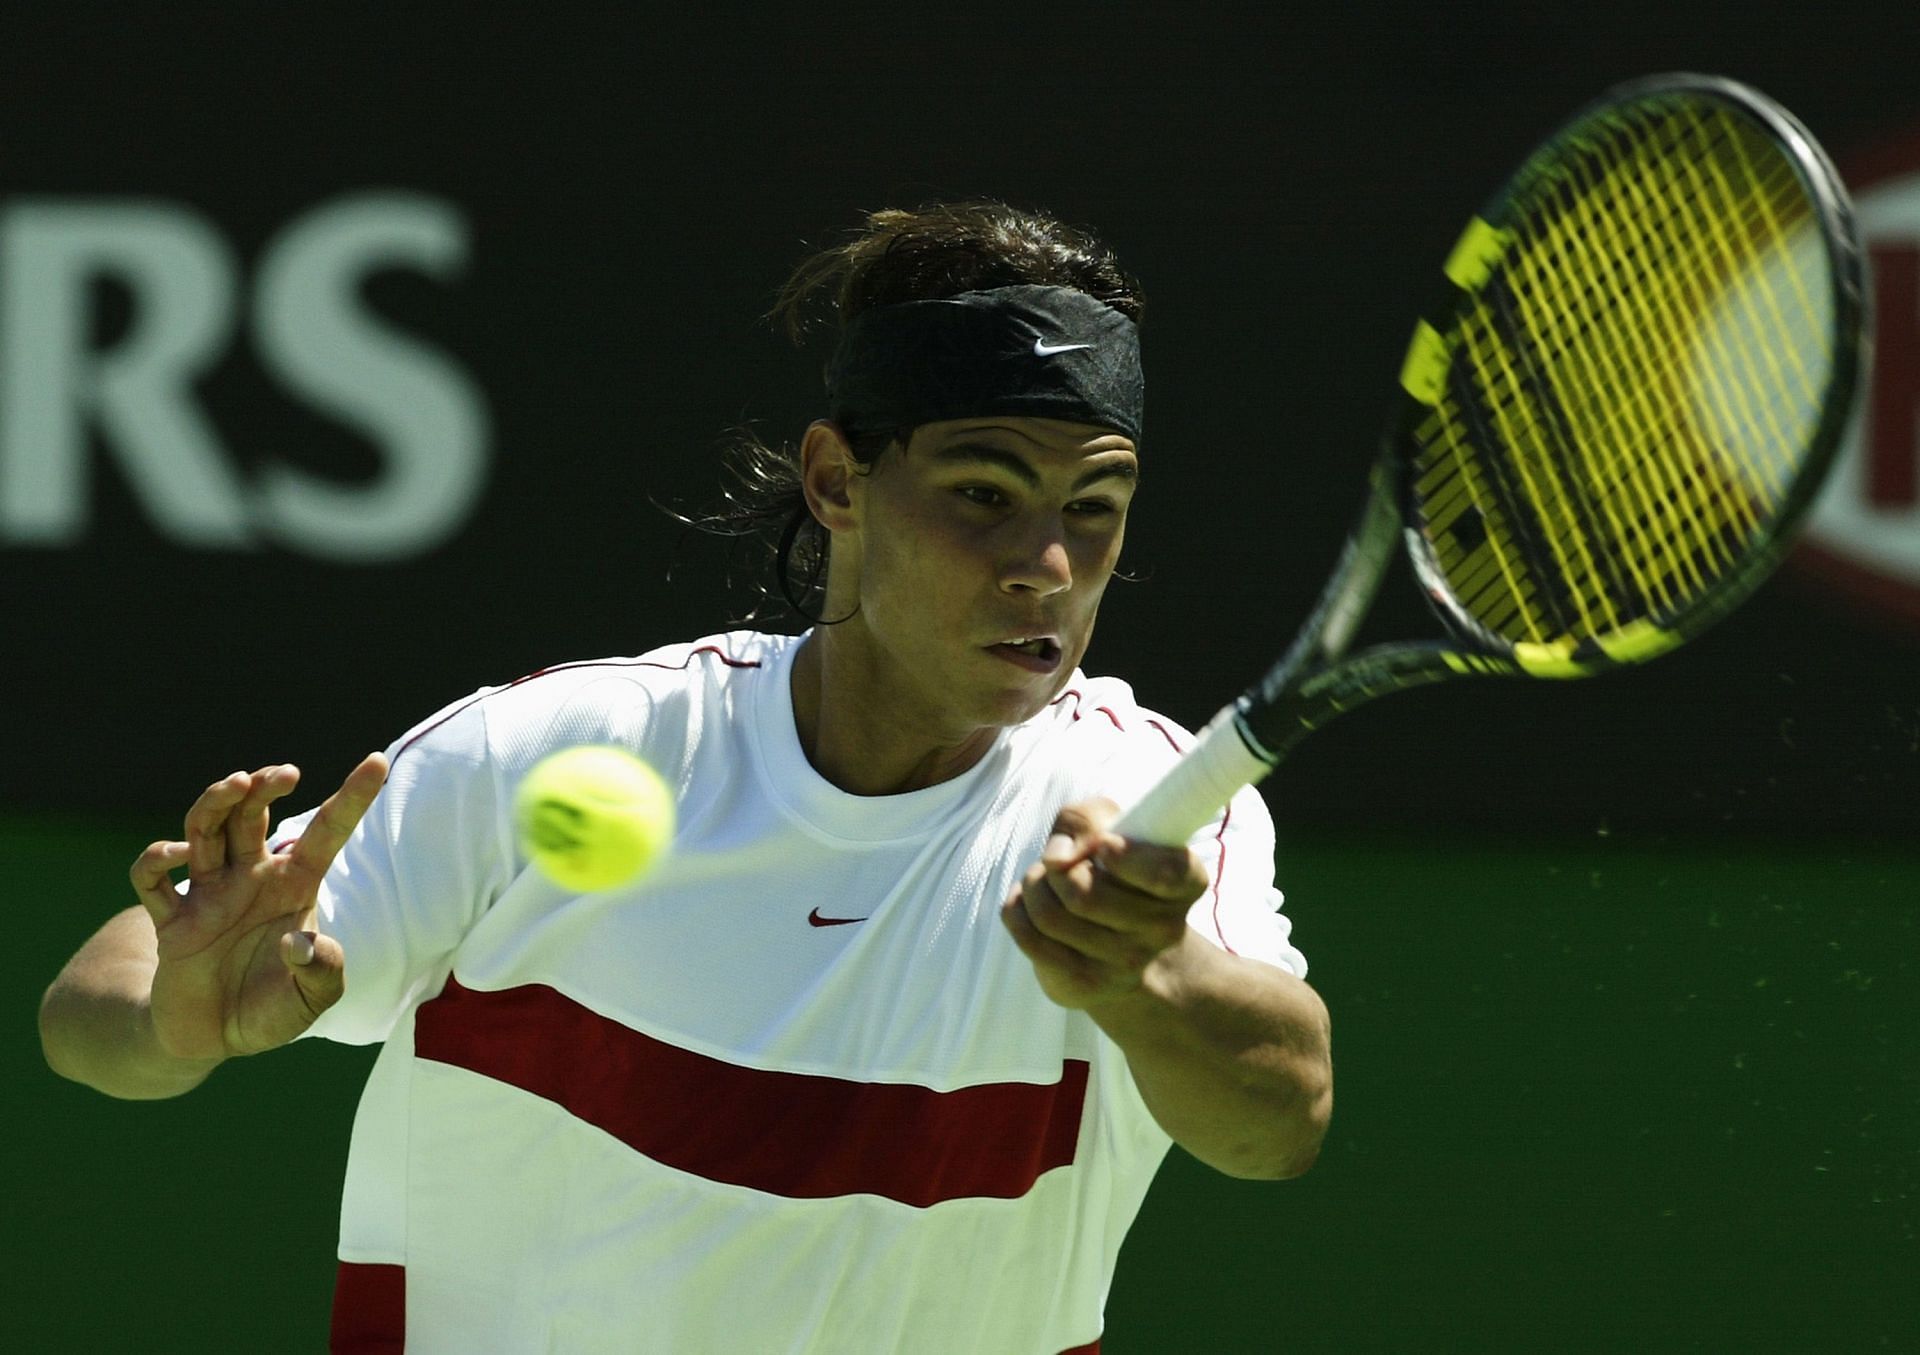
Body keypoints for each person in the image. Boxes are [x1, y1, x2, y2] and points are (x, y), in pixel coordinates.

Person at [39, 201, 1333, 1354]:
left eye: (1094, 508)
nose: (1045, 564)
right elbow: (94, 1006)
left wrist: (1151, 978)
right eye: (983, 492)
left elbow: (1277, 1125)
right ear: (839, 482)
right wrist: (177, 1020)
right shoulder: (561, 751)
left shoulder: (1149, 812)